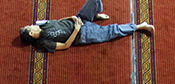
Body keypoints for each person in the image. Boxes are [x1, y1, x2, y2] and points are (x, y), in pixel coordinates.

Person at [19, 0, 154, 53]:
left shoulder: (40, 24)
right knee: (111, 31)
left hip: (78, 19)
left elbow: (57, 21)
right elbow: (65, 45)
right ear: (31, 34)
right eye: (30, 27)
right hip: (82, 34)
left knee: (94, 2)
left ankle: (94, 16)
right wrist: (77, 29)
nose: (32, 25)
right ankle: (139, 26)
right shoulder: (44, 42)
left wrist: (71, 18)